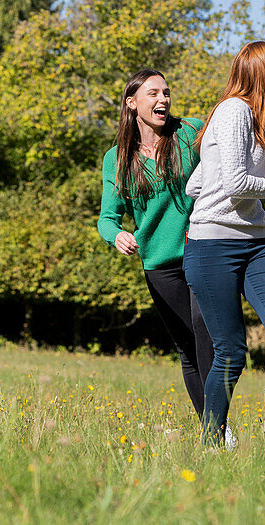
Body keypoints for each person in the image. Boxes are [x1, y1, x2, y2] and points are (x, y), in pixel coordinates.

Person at [182, 41, 265, 452]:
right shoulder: (234, 111)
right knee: (230, 351)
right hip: (212, 248)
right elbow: (236, 184)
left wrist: (219, 182)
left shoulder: (254, 120)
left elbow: (196, 184)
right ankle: (210, 442)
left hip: (254, 245)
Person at [97, 69, 215, 426]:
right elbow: (107, 217)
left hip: (201, 248)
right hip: (159, 264)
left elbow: (225, 171)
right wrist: (116, 235)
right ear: (132, 104)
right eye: (153, 93)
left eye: (166, 92)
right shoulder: (116, 158)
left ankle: (218, 418)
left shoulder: (190, 132)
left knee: (205, 330)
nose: (163, 99)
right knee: (186, 348)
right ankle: (213, 431)